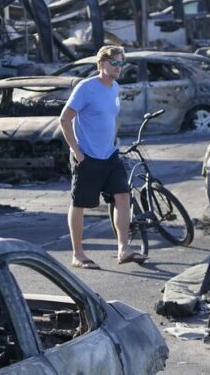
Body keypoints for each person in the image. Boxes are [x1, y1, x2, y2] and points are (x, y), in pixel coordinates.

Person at [59, 45, 146, 269]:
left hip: (109, 154)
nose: (119, 67)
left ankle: (123, 248)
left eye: (121, 63)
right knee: (80, 204)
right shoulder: (86, 88)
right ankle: (77, 254)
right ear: (101, 64)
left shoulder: (115, 87)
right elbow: (65, 119)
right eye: (114, 63)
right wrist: (77, 152)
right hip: (87, 156)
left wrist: (114, 141)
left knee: (123, 196)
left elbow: (111, 118)